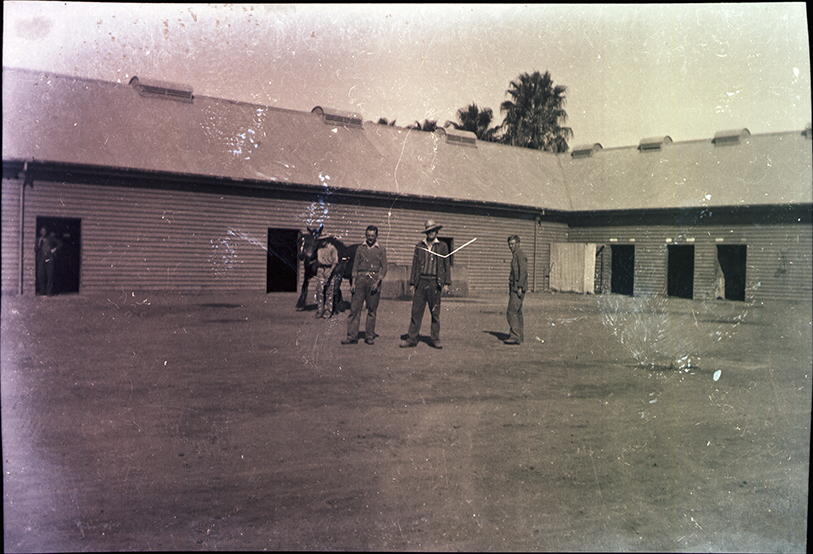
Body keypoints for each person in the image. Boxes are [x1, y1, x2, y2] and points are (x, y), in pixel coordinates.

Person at [400, 220, 451, 349]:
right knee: (416, 311)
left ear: (436, 231)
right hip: (421, 282)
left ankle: (435, 339)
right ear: (426, 232)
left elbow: (446, 266)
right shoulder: (419, 246)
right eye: (428, 231)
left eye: (433, 230)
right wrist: (412, 283)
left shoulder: (442, 246)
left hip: (435, 282)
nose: (431, 233)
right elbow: (415, 264)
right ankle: (412, 338)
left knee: (435, 313)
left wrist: (446, 283)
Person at [342, 226, 388, 345]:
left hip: (374, 280)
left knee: (372, 310)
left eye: (372, 236)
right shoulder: (360, 249)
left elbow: (384, 267)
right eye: (368, 235)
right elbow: (355, 265)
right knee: (355, 308)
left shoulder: (381, 249)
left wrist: (377, 282)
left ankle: (369, 336)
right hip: (360, 280)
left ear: (376, 236)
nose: (370, 238)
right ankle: (352, 336)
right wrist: (353, 281)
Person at [504, 234, 528, 345]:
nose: (510, 246)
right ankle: (519, 336)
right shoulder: (516, 255)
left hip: (517, 288)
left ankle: (514, 336)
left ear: (518, 244)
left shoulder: (520, 255)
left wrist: (520, 287)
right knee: (517, 312)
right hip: (514, 287)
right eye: (509, 244)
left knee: (511, 311)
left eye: (512, 244)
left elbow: (523, 272)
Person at [313, 237, 338, 318]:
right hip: (320, 270)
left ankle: (328, 310)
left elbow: (335, 262)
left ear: (327, 240)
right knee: (319, 291)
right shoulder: (319, 249)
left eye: (324, 240)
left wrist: (330, 272)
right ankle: (320, 310)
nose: (322, 242)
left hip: (329, 269)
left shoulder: (332, 248)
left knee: (329, 291)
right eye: (321, 240)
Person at [35, 227, 61, 296]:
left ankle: (49, 292)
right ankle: (42, 291)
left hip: (50, 259)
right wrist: (39, 244)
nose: (43, 232)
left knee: (50, 276)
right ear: (40, 232)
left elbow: (60, 243)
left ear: (46, 232)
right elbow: (36, 249)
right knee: (41, 276)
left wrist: (54, 249)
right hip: (41, 259)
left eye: (44, 231)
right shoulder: (38, 239)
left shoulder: (50, 238)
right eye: (42, 231)